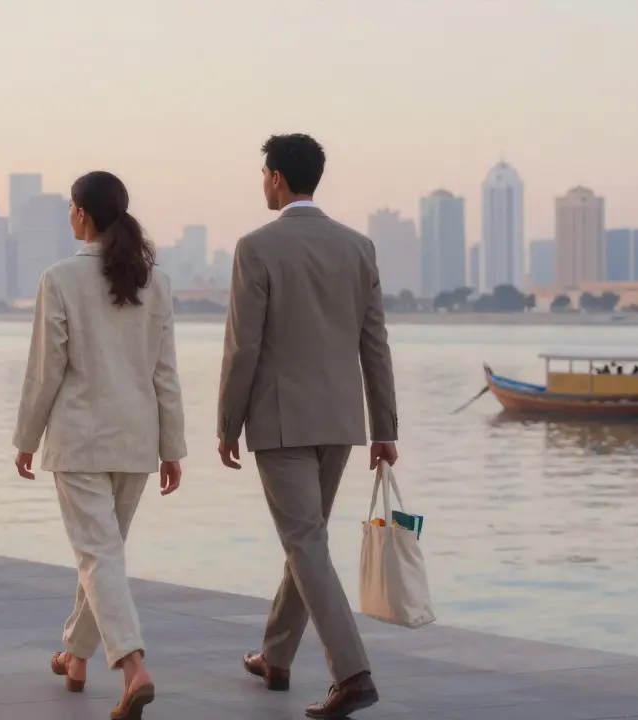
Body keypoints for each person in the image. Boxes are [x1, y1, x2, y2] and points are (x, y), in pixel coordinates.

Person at [217, 134, 398, 719]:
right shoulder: (358, 246)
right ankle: (275, 657)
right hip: (341, 421)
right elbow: (375, 343)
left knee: (305, 542)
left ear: (274, 177)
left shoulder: (256, 247)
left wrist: (227, 423)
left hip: (279, 421)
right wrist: (384, 427)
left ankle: (353, 674)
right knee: (309, 538)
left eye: (262, 174)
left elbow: (244, 347)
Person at [13, 170, 186, 720]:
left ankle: (134, 667)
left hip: (80, 441)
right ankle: (76, 655)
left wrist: (25, 438)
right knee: (103, 557)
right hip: (137, 441)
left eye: (71, 207)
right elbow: (166, 373)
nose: (69, 214)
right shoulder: (153, 280)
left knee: (97, 555)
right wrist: (172, 447)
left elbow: (46, 372)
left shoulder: (60, 278)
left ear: (82, 215)